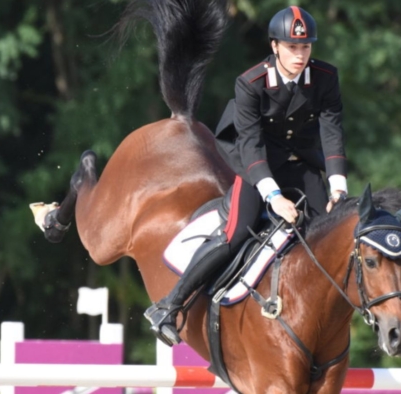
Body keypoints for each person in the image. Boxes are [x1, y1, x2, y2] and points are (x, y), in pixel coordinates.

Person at [145, 6, 348, 346]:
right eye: (292, 47)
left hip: (301, 164)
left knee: (329, 233)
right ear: (275, 47)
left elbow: (332, 133)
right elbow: (251, 146)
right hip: (256, 165)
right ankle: (170, 305)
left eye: (306, 47)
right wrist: (274, 197)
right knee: (236, 231)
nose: (300, 55)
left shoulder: (325, 77)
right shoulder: (251, 83)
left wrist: (338, 187)